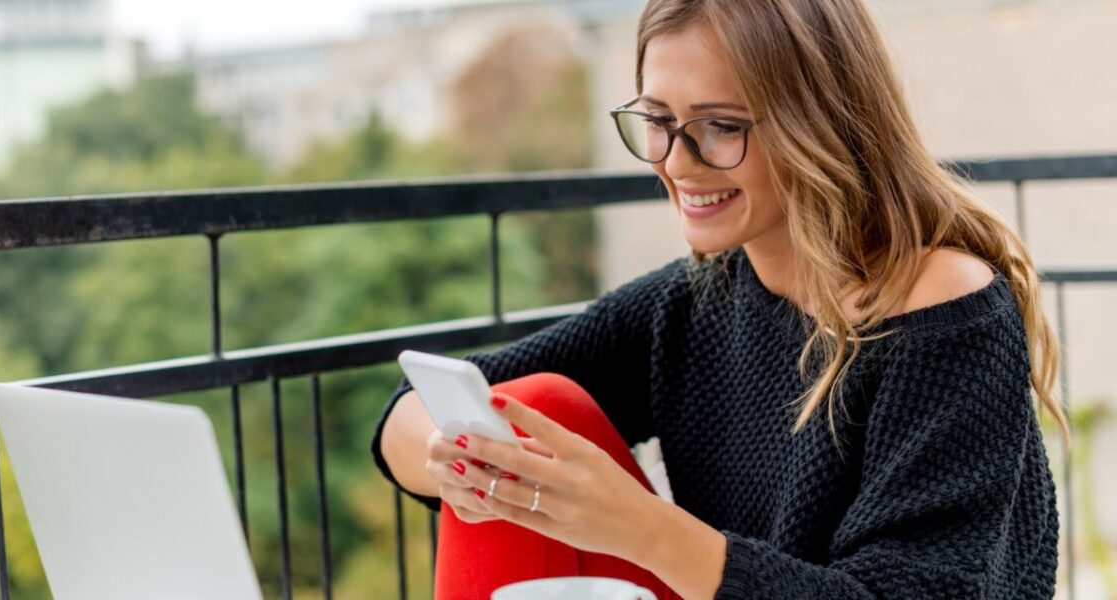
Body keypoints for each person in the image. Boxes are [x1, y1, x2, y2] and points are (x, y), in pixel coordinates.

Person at [371, 0, 1067, 598]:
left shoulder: (943, 312)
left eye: (720, 126)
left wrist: (638, 526)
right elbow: (408, 417)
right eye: (657, 120)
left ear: (819, 122)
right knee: (528, 410)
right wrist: (447, 456)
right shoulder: (693, 300)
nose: (676, 161)